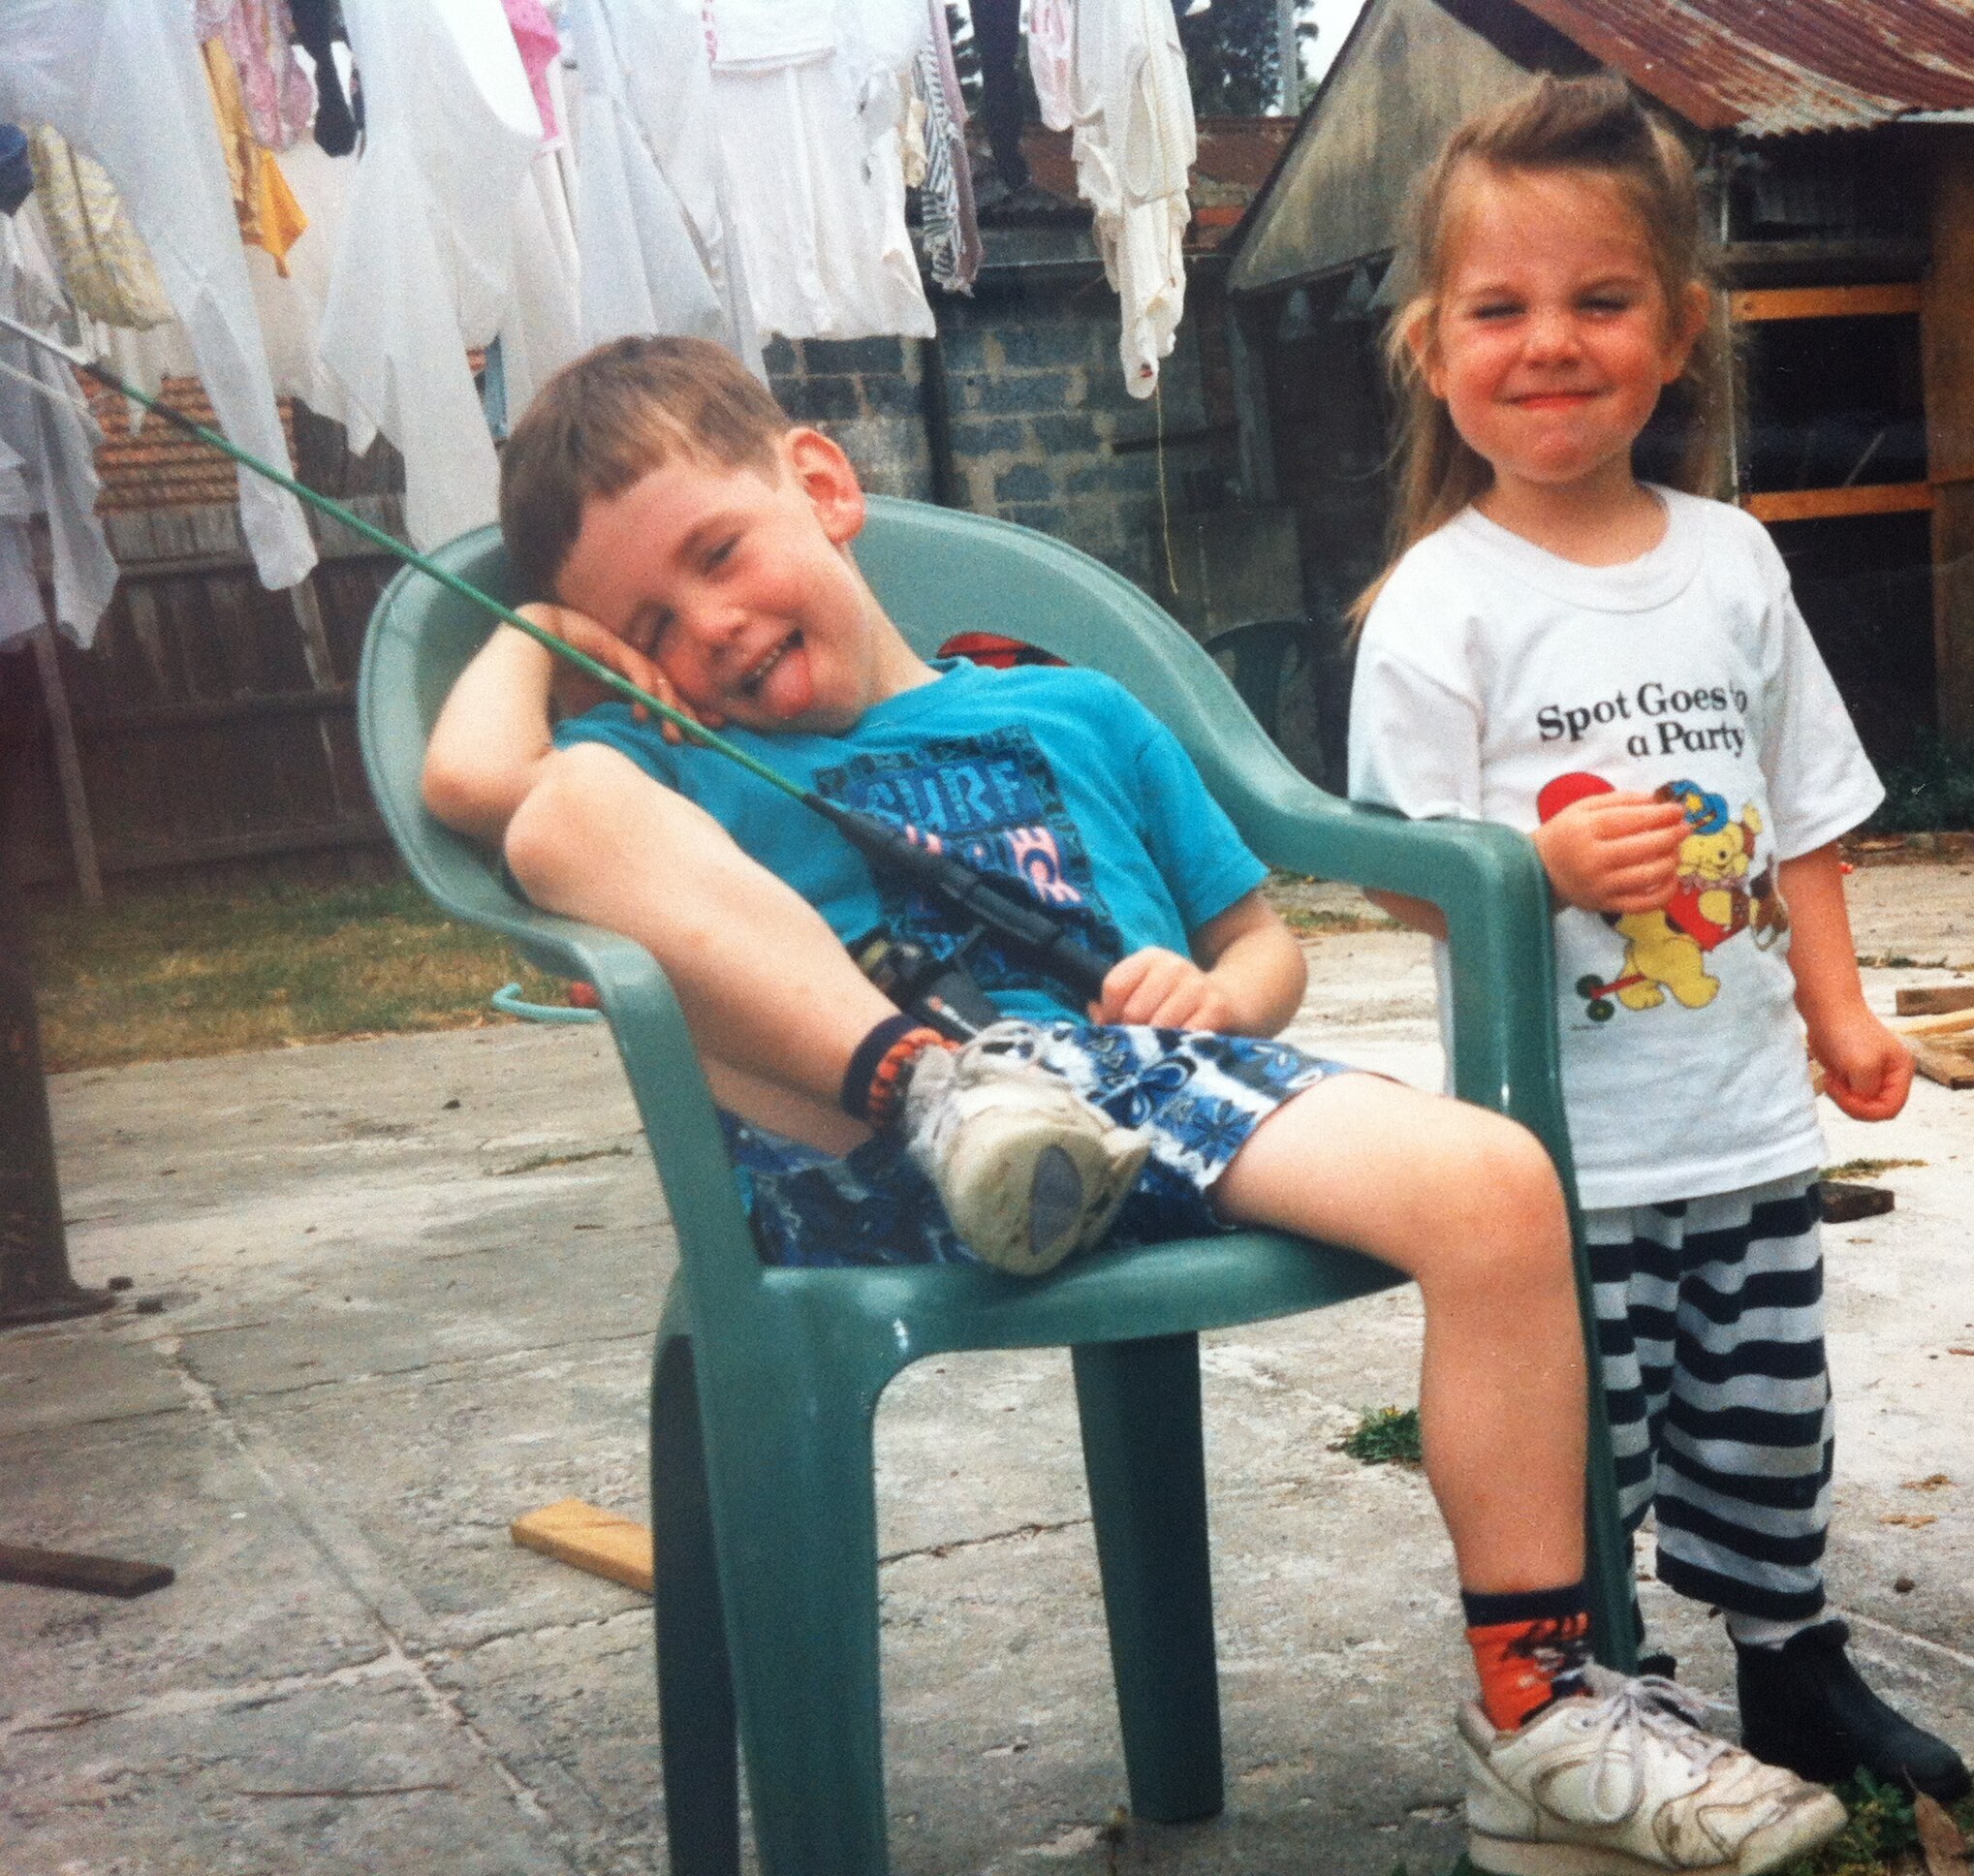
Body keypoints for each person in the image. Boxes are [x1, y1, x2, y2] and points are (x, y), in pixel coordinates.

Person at [420, 334, 1849, 1874]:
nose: (708, 627)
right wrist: (542, 631)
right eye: (651, 619)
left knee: (1496, 1182)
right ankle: (943, 1089)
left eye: (718, 555)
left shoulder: (1081, 714)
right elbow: (475, 786)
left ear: (822, 487)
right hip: (857, 1130)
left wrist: (1218, 996)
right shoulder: (669, 754)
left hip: (1138, 1092)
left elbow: (1261, 945)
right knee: (569, 809)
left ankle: (1539, 1715)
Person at [1344, 77, 1970, 1805]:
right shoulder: (1441, 604)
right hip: (1561, 1151)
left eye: (1600, 301)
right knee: (1588, 1444)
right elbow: (1396, 868)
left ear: (1680, 331)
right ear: (1431, 344)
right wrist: (1531, 866)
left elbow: (1808, 805)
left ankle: (1794, 1669)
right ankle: (1606, 1700)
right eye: (1502, 308)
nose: (1551, 343)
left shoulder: (1733, 562)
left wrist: (1840, 1008)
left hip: (1744, 1112)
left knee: (1769, 1417)